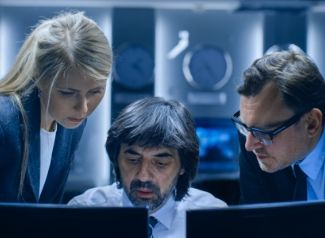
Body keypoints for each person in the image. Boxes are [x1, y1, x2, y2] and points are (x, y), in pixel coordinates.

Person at [68, 97, 227, 238]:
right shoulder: (83, 212)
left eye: (161, 163)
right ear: (116, 159)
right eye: (132, 160)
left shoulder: (213, 218)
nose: (143, 176)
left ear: (183, 166)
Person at [0, 11, 112, 203]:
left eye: (95, 92)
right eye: (68, 93)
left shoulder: (70, 126)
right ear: (38, 76)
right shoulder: (3, 122)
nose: (83, 109)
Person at [232, 50, 325, 204]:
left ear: (311, 124)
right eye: (245, 127)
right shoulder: (251, 143)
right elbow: (256, 223)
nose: (249, 146)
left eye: (265, 132)